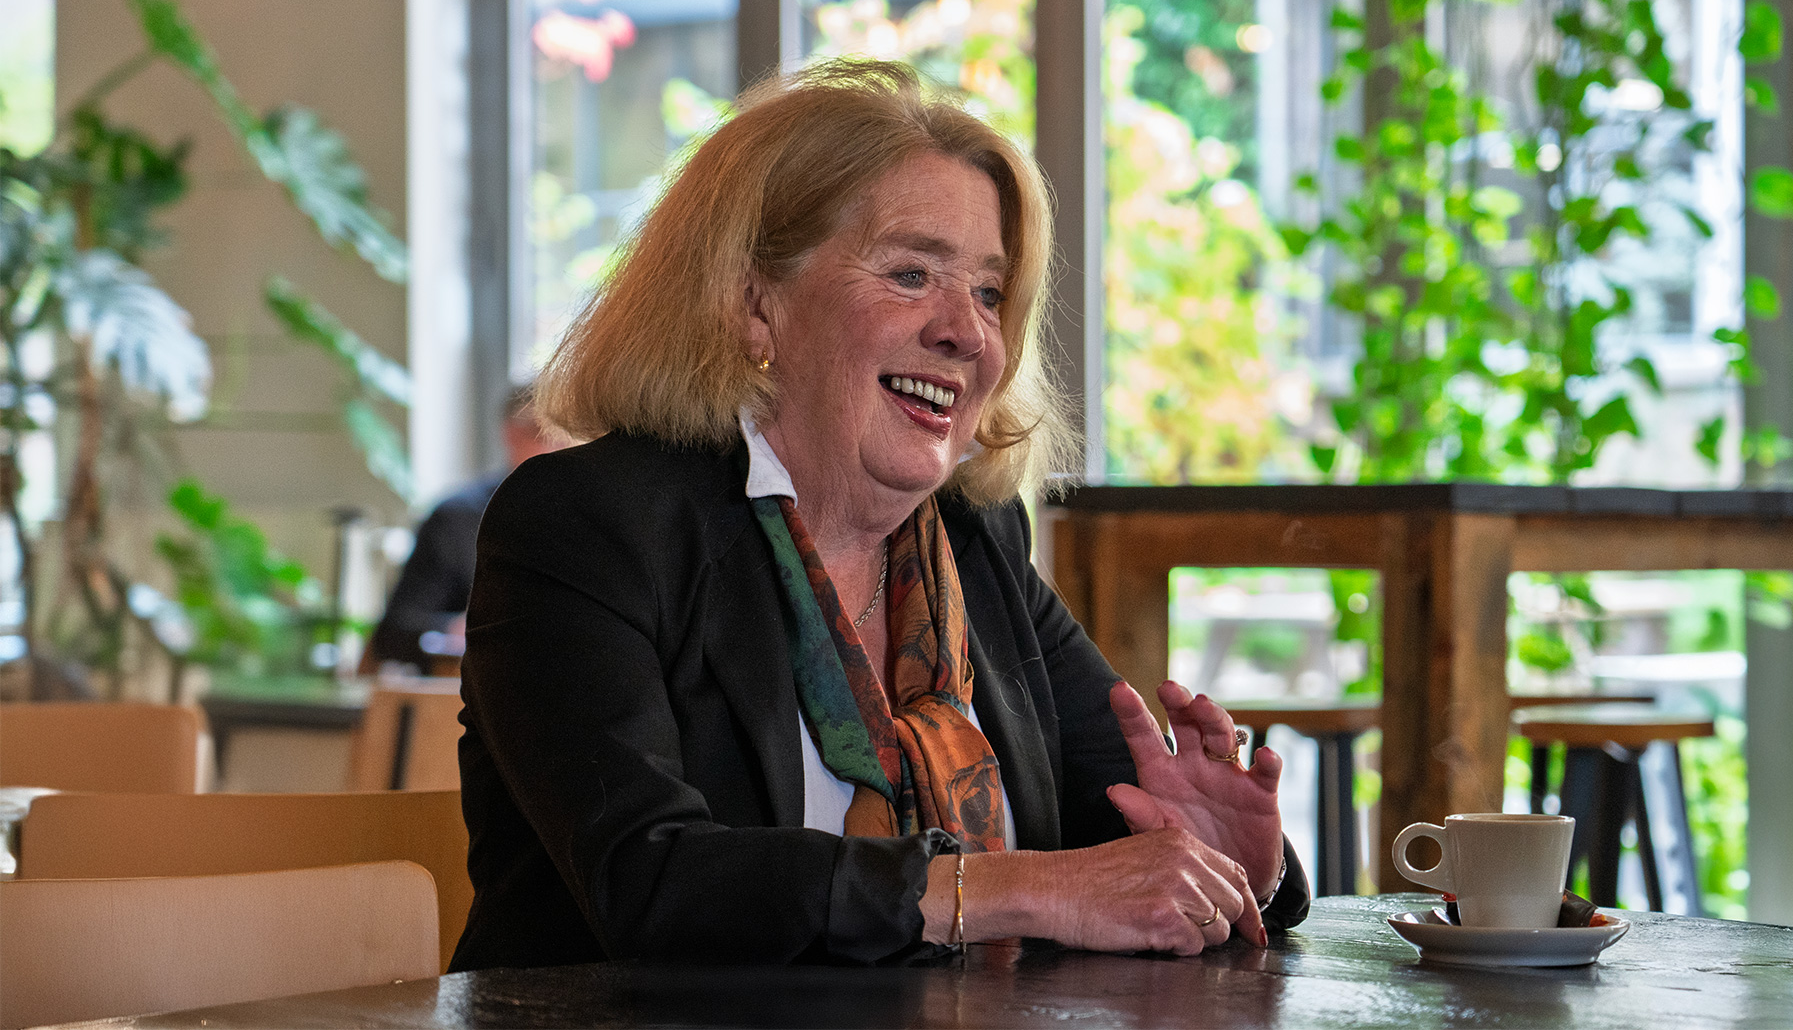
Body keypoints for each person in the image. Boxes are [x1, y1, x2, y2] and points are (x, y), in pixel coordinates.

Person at [451, 59, 1310, 972]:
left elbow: (1130, 843)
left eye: (988, 292)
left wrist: (1226, 862)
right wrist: (1014, 886)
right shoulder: (588, 521)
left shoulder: (976, 541)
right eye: (911, 274)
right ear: (754, 305)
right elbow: (651, 881)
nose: (969, 333)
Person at [364, 386, 565, 673]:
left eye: (573, 439)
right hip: (471, 695)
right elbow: (396, 633)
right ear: (509, 434)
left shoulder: (605, 519)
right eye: (543, 435)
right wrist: (461, 627)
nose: (559, 449)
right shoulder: (456, 518)